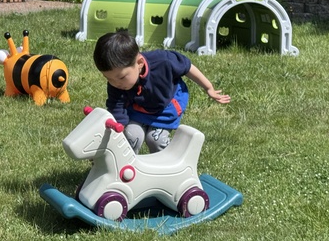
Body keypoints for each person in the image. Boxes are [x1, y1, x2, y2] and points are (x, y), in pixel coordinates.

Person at [93, 30, 230, 154]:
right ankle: (126, 169)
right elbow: (116, 108)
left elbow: (187, 67)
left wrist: (209, 88)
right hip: (138, 108)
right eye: (108, 78)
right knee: (132, 136)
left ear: (139, 63)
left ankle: (165, 167)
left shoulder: (165, 61)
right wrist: (117, 131)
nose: (115, 83)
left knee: (155, 139)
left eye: (121, 77)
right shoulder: (117, 83)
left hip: (166, 106)